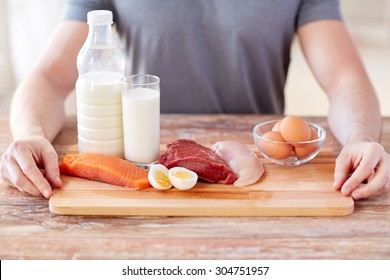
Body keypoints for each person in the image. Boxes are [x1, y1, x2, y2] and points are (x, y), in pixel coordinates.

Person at [0, 0, 389, 200]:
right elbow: (50, 78)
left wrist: (360, 138)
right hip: (144, 161)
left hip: (253, 169)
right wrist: (32, 134)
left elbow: (344, 78)